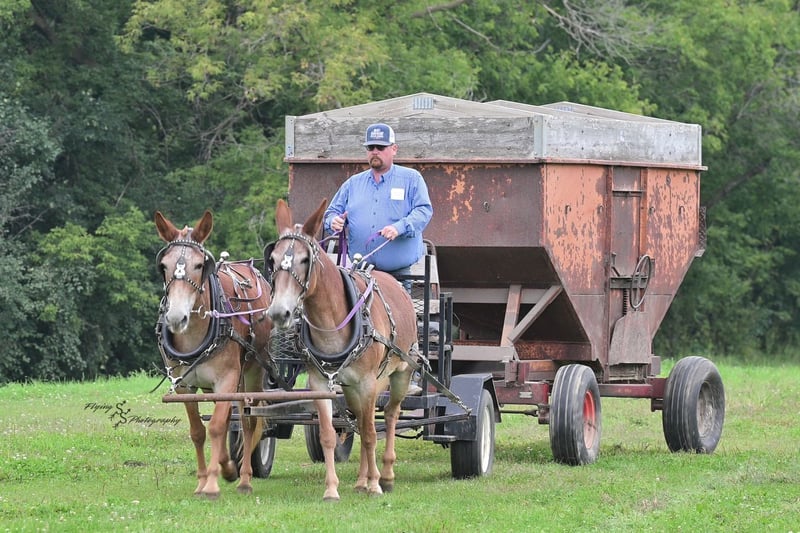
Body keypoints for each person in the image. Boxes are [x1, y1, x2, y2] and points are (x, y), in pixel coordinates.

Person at [324, 123, 433, 282]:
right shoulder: (353, 184)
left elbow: (423, 211)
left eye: (381, 147)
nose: (375, 151)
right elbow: (331, 213)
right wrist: (333, 221)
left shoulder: (412, 179)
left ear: (394, 149)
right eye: (370, 147)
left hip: (398, 276)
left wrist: (399, 227)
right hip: (359, 275)